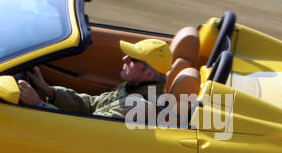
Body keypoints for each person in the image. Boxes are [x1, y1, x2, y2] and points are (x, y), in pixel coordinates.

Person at [17, 38, 172, 120]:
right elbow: (91, 105)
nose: (124, 58)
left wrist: (38, 104)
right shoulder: (132, 88)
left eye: (133, 59)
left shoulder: (136, 106)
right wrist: (49, 91)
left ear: (149, 75)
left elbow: (85, 128)